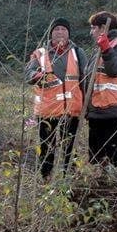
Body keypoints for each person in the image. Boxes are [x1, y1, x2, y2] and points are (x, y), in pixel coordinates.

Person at [25, 17, 90, 179]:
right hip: (47, 112)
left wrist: (88, 107)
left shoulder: (78, 52)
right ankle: (45, 178)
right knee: (47, 149)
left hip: (71, 111)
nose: (60, 32)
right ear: (50, 33)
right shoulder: (40, 53)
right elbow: (28, 74)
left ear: (68, 33)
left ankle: (69, 180)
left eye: (63, 29)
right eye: (56, 29)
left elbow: (86, 79)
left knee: (70, 148)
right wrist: (36, 75)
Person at [85, 11, 117, 167]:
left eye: (93, 28)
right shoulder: (100, 46)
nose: (91, 32)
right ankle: (102, 184)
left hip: (113, 110)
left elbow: (115, 71)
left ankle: (115, 188)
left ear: (102, 28)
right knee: (98, 157)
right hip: (98, 110)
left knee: (114, 157)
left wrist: (107, 50)